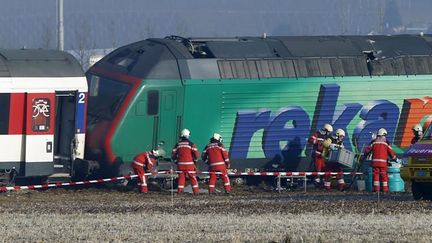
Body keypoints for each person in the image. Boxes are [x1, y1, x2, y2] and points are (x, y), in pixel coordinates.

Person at [364, 128, 397, 192]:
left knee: (376, 176)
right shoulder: (386, 143)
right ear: (384, 135)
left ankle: (376, 189)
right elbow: (391, 153)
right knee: (384, 176)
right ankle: (385, 189)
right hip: (383, 164)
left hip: (375, 163)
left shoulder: (374, 142)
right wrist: (395, 159)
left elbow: (367, 150)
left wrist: (364, 155)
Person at [171, 128, 200, 194]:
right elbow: (196, 154)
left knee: (181, 178)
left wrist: (176, 161)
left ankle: (180, 191)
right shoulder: (191, 144)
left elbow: (173, 155)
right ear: (188, 136)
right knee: (192, 177)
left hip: (180, 165)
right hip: (189, 165)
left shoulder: (177, 144)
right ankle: (196, 192)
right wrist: (195, 160)